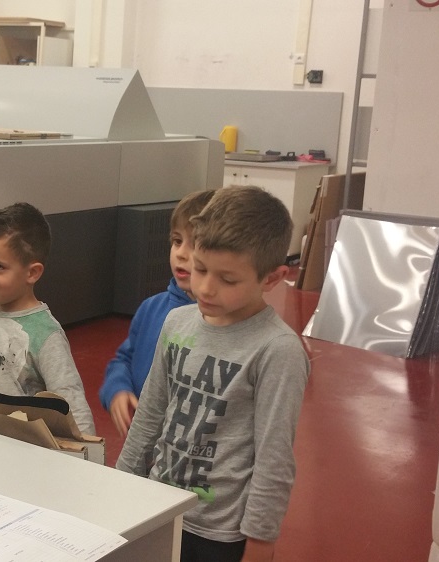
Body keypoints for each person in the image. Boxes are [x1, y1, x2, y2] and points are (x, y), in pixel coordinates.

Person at [115, 186, 310, 562]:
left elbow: (274, 458)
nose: (204, 287)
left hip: (219, 533)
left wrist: (260, 543)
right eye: (201, 268)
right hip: (156, 507)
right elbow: (150, 415)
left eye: (227, 279)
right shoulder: (176, 322)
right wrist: (122, 483)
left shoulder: (277, 350)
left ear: (272, 278)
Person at [0, 202, 96, 436]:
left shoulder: (45, 335)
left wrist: (85, 451)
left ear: (32, 272)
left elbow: (72, 406)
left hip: (23, 447)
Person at [99, 189, 216, 437]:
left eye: (195, 244)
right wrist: (117, 389)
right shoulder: (151, 308)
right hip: (144, 439)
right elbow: (124, 359)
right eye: (177, 241)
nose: (181, 253)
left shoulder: (221, 321)